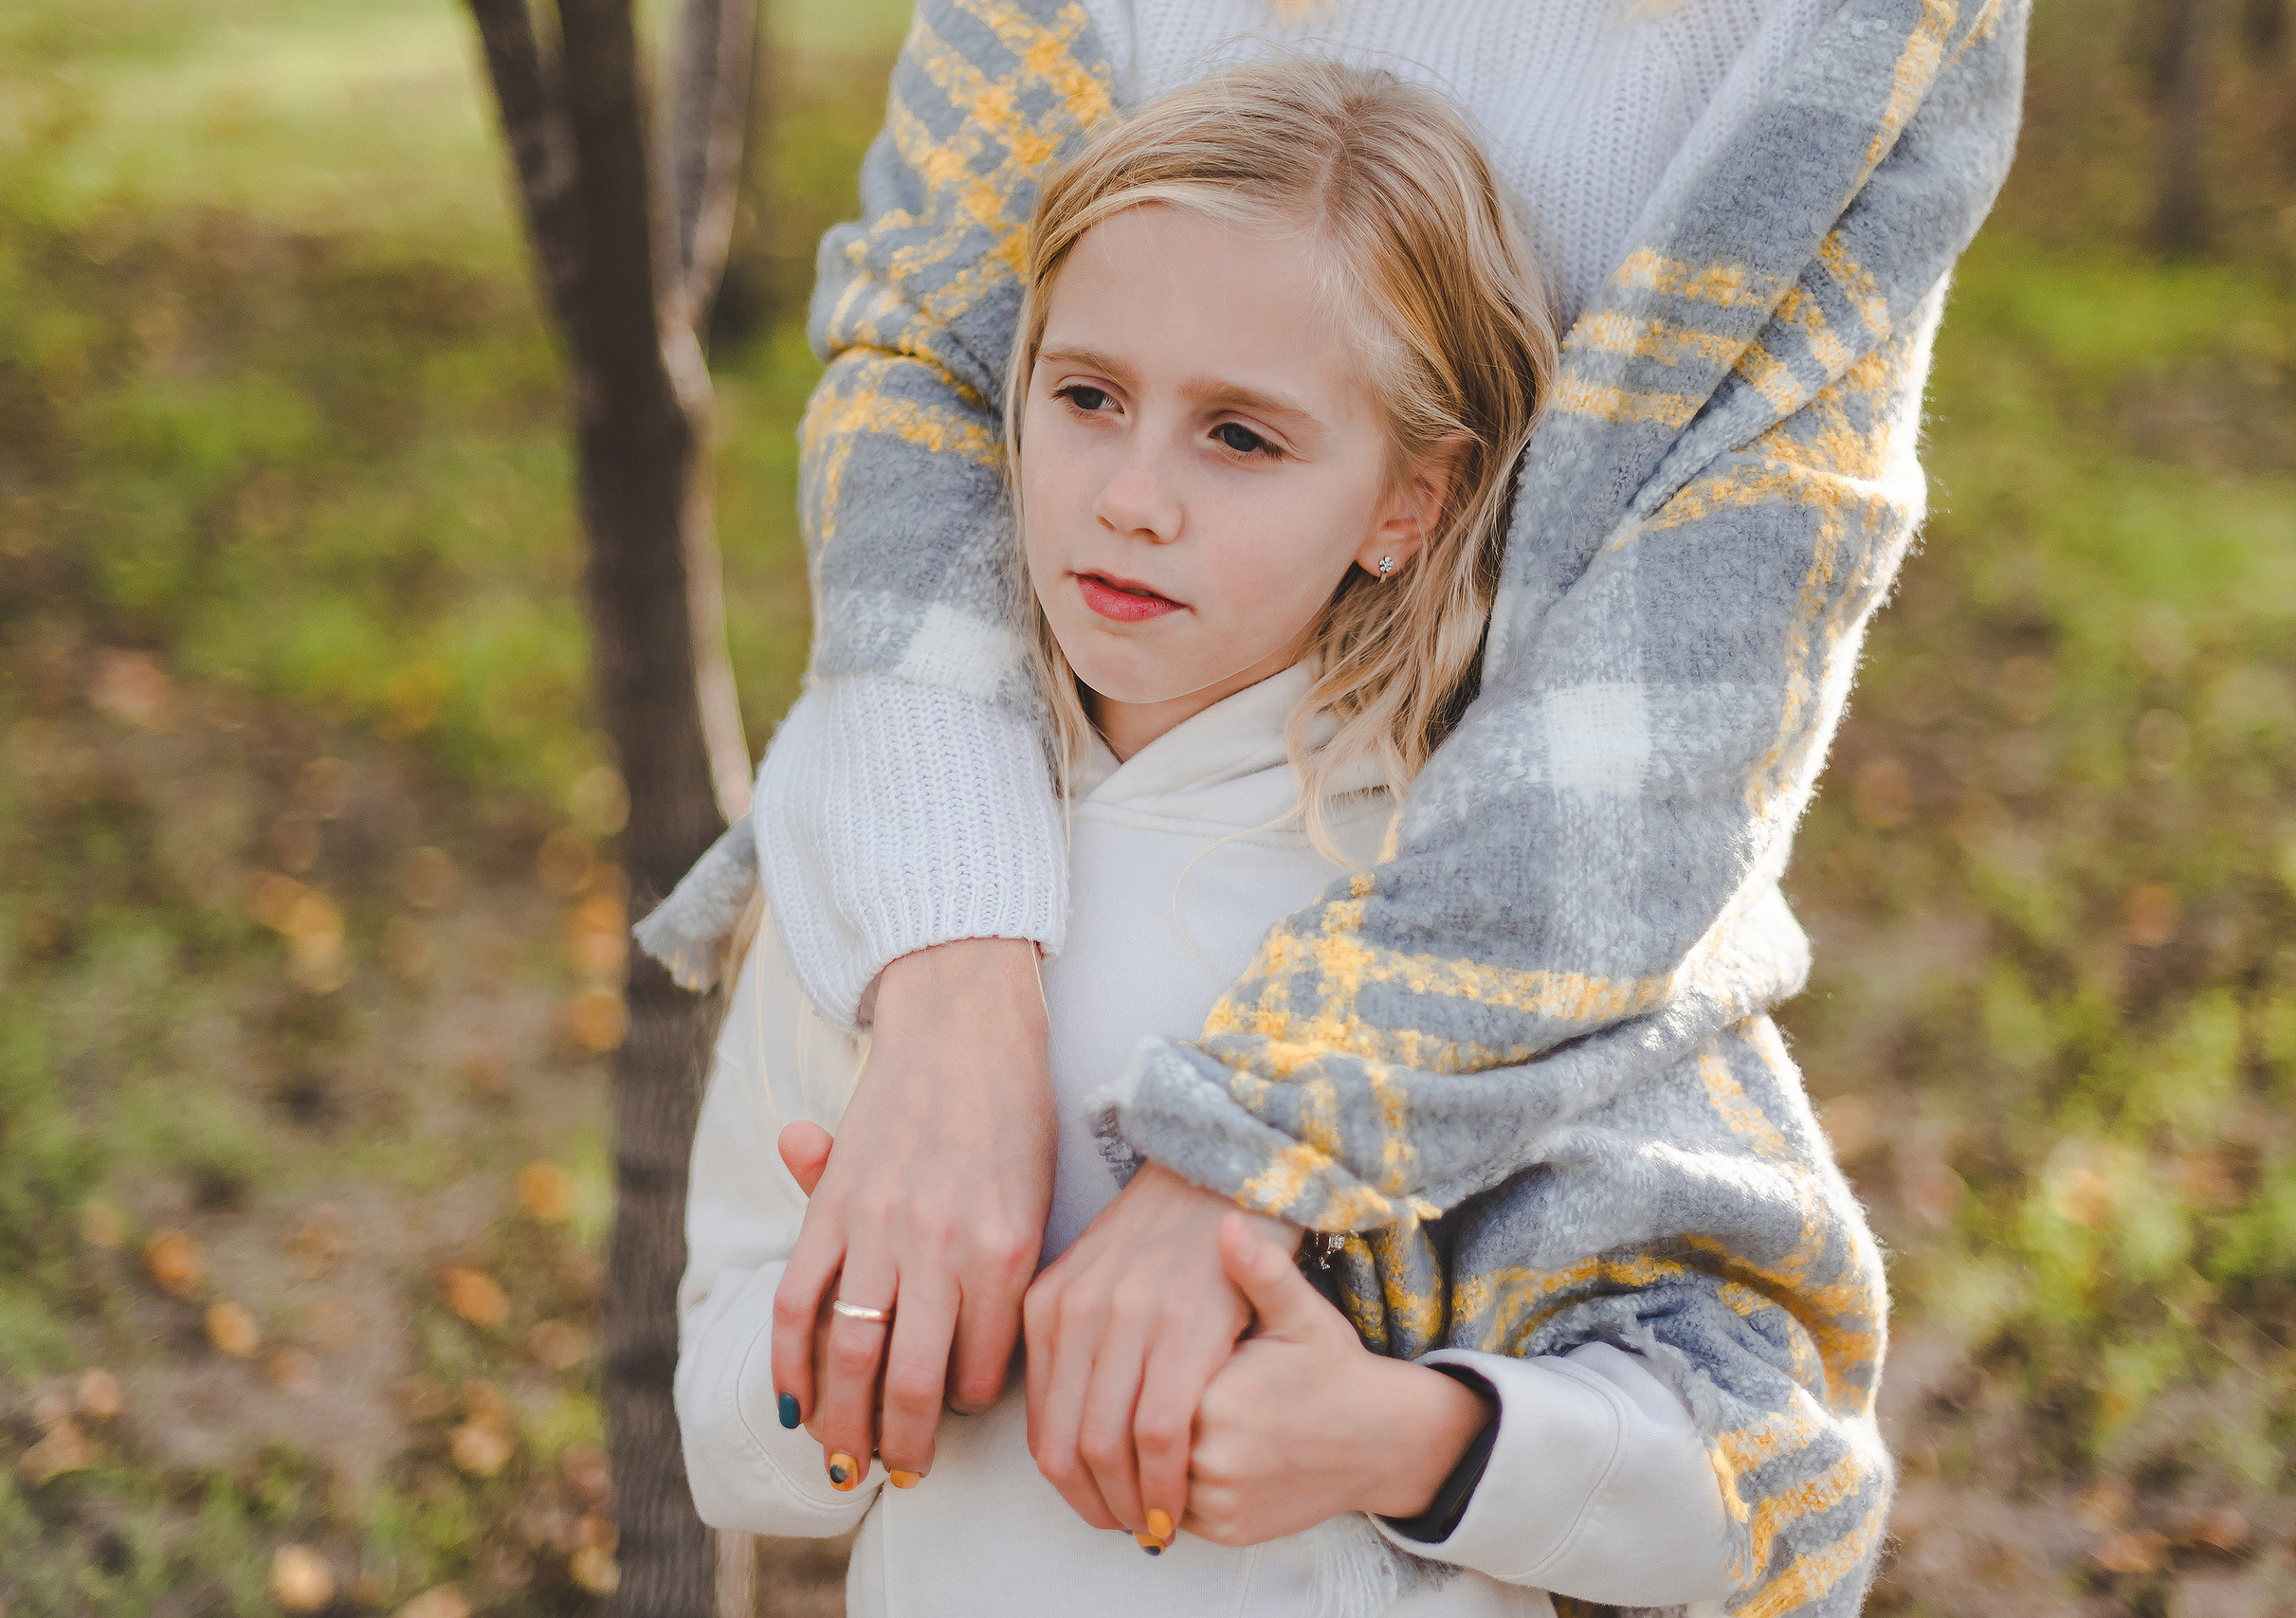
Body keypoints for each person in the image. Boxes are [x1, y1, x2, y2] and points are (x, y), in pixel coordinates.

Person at [641, 1, 2027, 1611]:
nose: (1133, 496)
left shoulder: (1469, 925)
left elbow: (1780, 1493)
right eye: (1083, 396)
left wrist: (1400, 1440)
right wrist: (884, 1343)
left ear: (1406, 506)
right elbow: (729, 1440)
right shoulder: (885, 846)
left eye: (1241, 435)